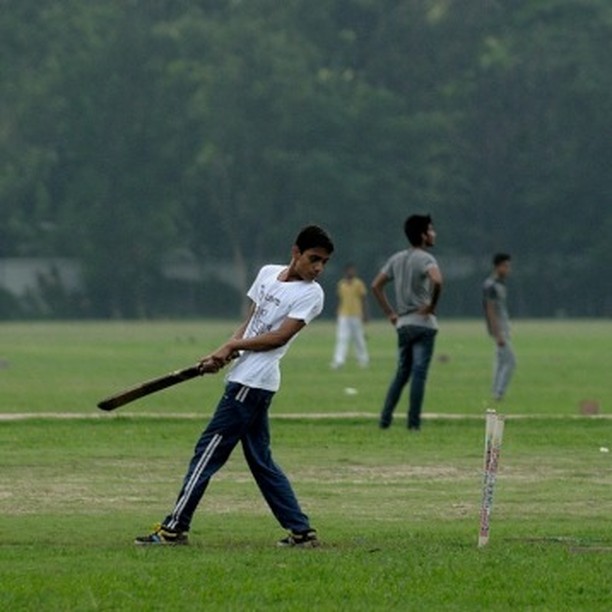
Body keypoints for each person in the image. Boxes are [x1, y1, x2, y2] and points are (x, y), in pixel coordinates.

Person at [135, 225, 334, 548]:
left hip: (253, 384)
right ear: (295, 252)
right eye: (314, 259)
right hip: (245, 378)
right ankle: (301, 532)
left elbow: (279, 337)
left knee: (207, 451)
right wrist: (226, 350)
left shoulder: (312, 294)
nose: (319, 268)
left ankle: (174, 528)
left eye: (324, 262)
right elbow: (252, 323)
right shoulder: (268, 274)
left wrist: (232, 348)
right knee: (261, 460)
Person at [371, 214, 443, 430]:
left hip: (403, 324)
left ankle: (385, 420)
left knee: (402, 373)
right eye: (431, 230)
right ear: (423, 235)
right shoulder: (426, 259)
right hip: (423, 323)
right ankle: (413, 423)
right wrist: (431, 306)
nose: (434, 234)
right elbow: (437, 280)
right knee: (419, 374)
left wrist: (390, 313)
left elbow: (376, 286)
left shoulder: (397, 258)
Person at [483, 253, 516, 402]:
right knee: (510, 362)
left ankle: (496, 391)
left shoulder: (501, 284)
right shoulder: (491, 286)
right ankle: (499, 393)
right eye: (505, 266)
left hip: (503, 327)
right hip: (499, 330)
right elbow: (490, 310)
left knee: (500, 361)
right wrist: (498, 334)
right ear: (497, 266)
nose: (508, 269)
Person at [331, 263, 369, 369]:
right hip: (343, 314)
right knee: (342, 338)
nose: (351, 272)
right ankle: (339, 361)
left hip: (356, 314)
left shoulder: (358, 283)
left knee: (359, 338)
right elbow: (339, 299)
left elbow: (364, 299)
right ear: (345, 272)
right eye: (349, 270)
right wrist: (337, 312)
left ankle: (363, 360)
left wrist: (365, 314)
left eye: (353, 270)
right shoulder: (341, 284)